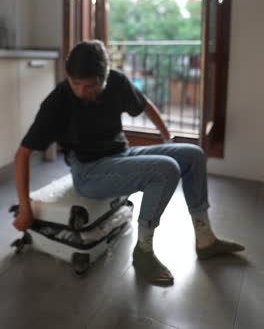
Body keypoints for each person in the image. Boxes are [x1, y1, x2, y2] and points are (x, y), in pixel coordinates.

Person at [13, 40, 244, 285]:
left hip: (120, 155)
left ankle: (205, 238)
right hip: (89, 171)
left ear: (104, 78)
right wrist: (25, 208)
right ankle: (143, 251)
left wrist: (167, 137)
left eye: (90, 85)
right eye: (75, 83)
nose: (81, 91)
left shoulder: (117, 82)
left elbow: (146, 105)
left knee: (193, 155)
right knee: (166, 169)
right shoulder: (57, 102)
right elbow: (22, 154)